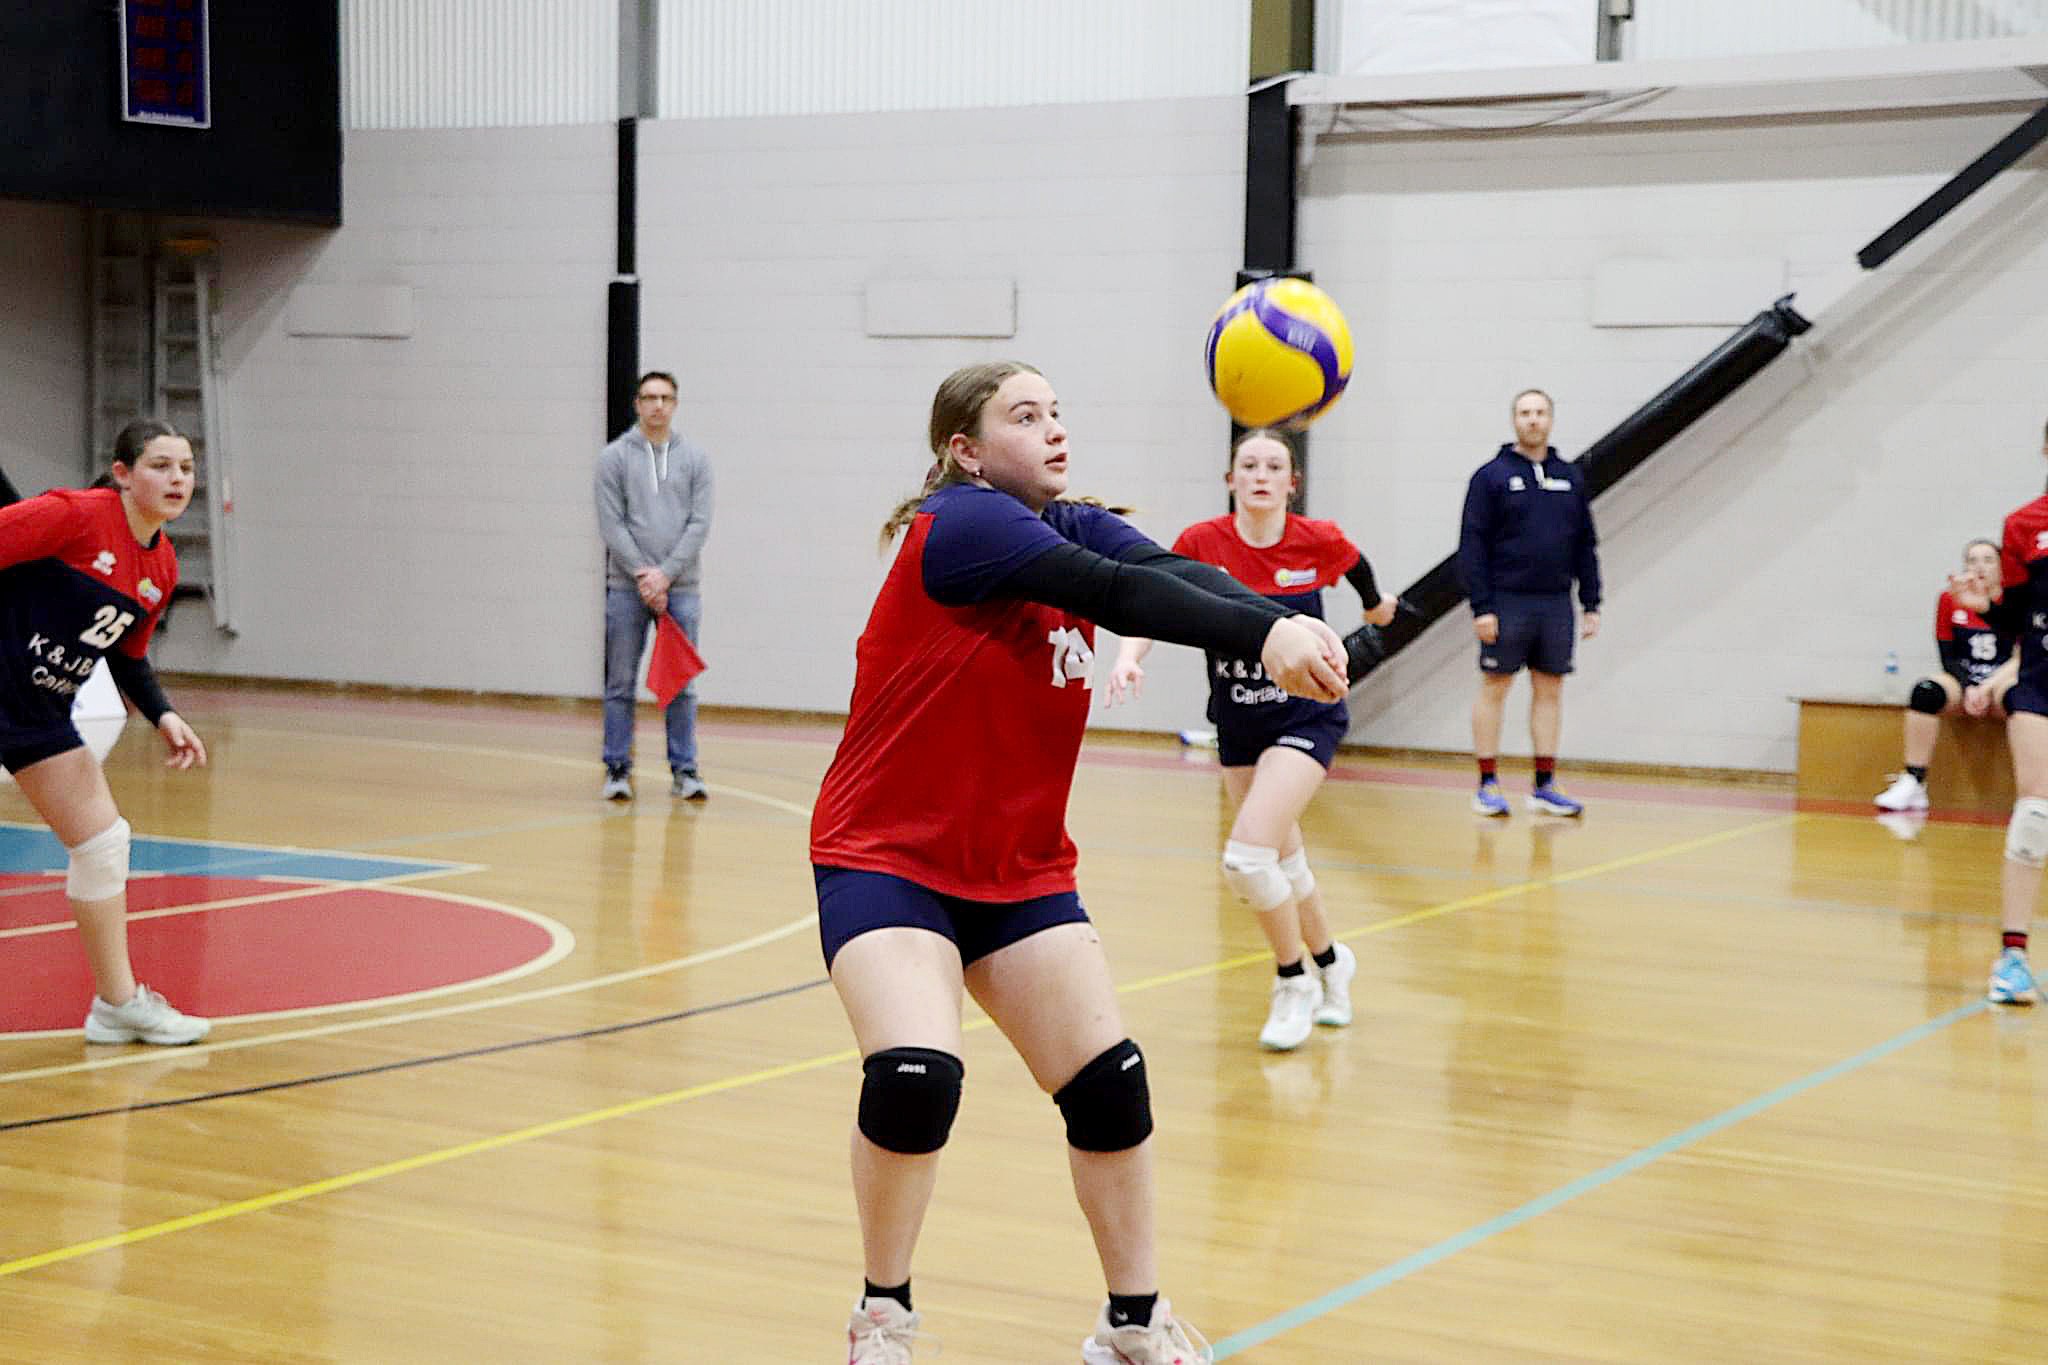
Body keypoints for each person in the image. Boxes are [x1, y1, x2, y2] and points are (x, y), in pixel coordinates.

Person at [810, 361, 1347, 1364]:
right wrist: (1262, 630)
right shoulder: (959, 523)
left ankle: (1131, 1325)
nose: (1054, 429)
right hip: (888, 858)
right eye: (1024, 416)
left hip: (1015, 870)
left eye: (1058, 410)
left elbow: (1165, 575)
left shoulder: (1069, 523)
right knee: (917, 1074)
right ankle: (882, 1313)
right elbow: (1113, 596)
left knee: (1109, 1084)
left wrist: (1276, 618)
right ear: (962, 451)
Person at [1104, 428, 1397, 1051]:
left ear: (1292, 483)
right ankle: (1331, 962)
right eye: (1248, 464)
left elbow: (1358, 568)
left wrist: (1375, 606)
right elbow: (1146, 601)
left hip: (1306, 717)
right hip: (1236, 720)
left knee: (1247, 859)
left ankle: (1291, 980)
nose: (1261, 475)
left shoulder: (1316, 539)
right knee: (1286, 862)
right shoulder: (1202, 543)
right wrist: (1130, 658)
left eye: (1274, 466)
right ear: (1231, 480)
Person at [0, 418, 210, 1044]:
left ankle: (117, 1005)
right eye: (160, 465)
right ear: (122, 474)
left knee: (102, 843)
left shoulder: (162, 567)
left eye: (186, 468)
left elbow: (126, 653)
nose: (176, 479)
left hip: (38, 711)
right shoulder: (74, 515)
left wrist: (162, 712)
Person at [1457, 388, 1600, 818]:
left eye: (1540, 412)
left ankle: (1544, 785)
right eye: (1525, 413)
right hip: (1506, 601)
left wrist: (1591, 602)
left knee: (1549, 690)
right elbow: (1472, 546)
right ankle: (1487, 784)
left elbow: (1584, 545)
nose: (1533, 419)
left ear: (1551, 420)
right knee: (1496, 687)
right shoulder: (1491, 477)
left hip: (1555, 603)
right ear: (1514, 420)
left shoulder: (1570, 477)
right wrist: (1482, 607)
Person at [1954, 421, 2048, 1005]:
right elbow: (2014, 619)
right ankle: (2012, 957)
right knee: (2036, 814)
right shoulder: (2025, 525)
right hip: (2042, 687)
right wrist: (1982, 606)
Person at [593, 369, 714, 802]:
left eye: (665, 397)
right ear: (637, 405)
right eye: (649, 397)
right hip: (626, 590)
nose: (657, 405)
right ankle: (617, 769)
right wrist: (644, 574)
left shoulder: (696, 460)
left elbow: (699, 523)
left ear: (675, 404)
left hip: (681, 590)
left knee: (680, 684)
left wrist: (666, 574)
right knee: (620, 683)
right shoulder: (613, 459)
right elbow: (612, 524)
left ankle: (685, 771)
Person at [1873, 539, 2016, 812]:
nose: (1979, 567)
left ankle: (2031, 792)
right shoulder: (1950, 599)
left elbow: (2021, 659)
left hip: (2000, 682)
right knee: (1925, 691)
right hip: (1963, 681)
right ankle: (1914, 782)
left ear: (2002, 566)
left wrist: (1985, 688)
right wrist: (1968, 686)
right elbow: (1947, 654)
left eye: (1988, 560)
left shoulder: (2013, 602)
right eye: (1972, 560)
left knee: (2024, 699)